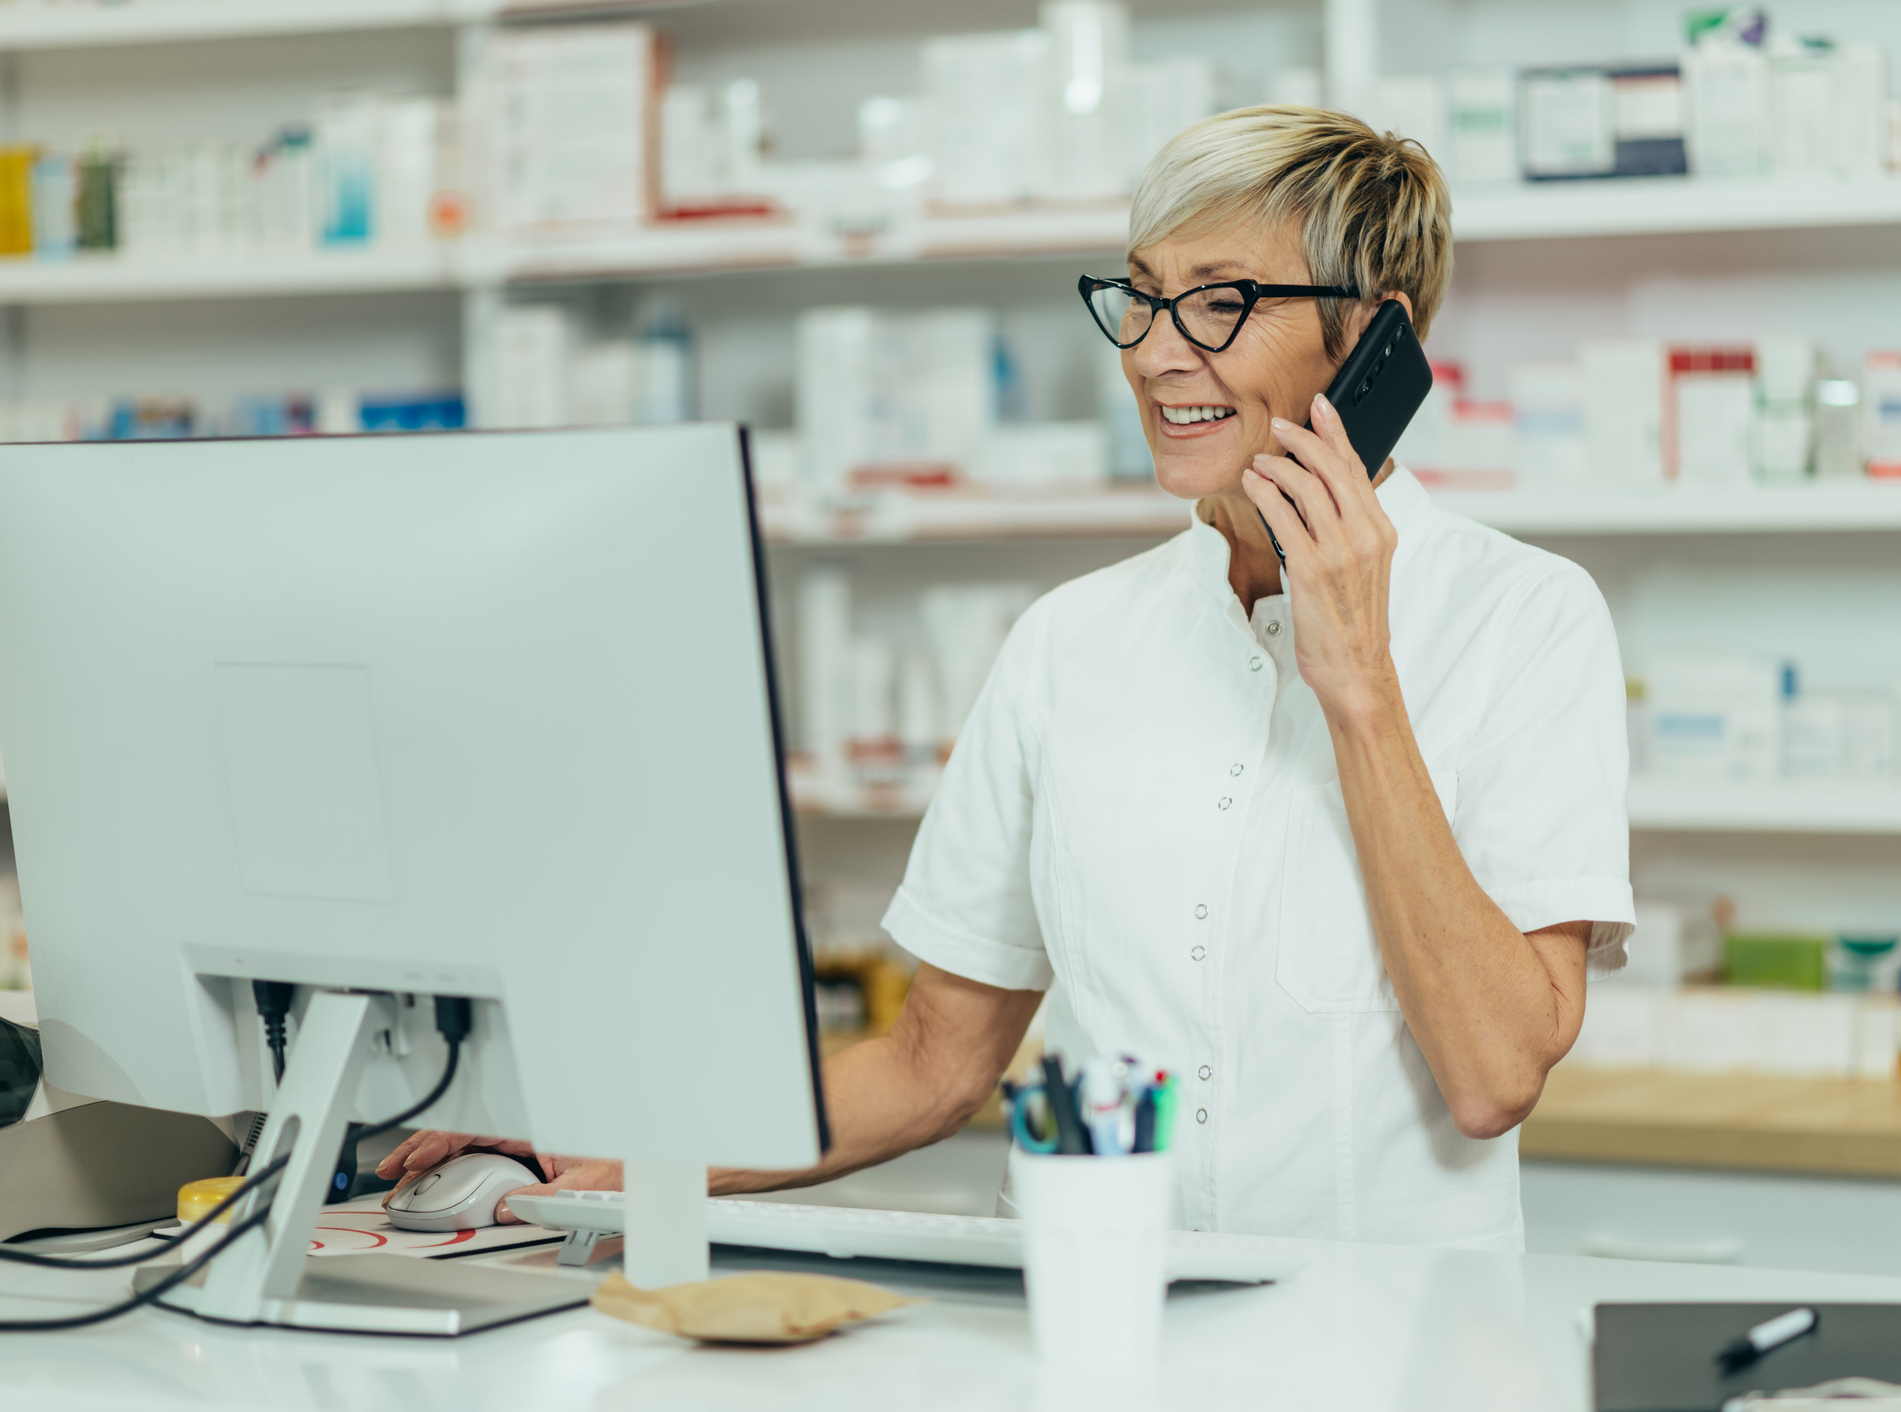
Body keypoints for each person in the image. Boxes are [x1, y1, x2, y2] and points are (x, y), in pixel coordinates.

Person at [381, 105, 1634, 1249]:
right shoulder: (1068, 642)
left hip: (1384, 1358)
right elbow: (930, 1064)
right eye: (1139, 299)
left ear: (1375, 333)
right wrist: (588, 1149)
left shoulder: (1523, 621)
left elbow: (1490, 1073)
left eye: (1218, 302)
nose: (1152, 355)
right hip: (1086, 1331)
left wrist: (1357, 683)